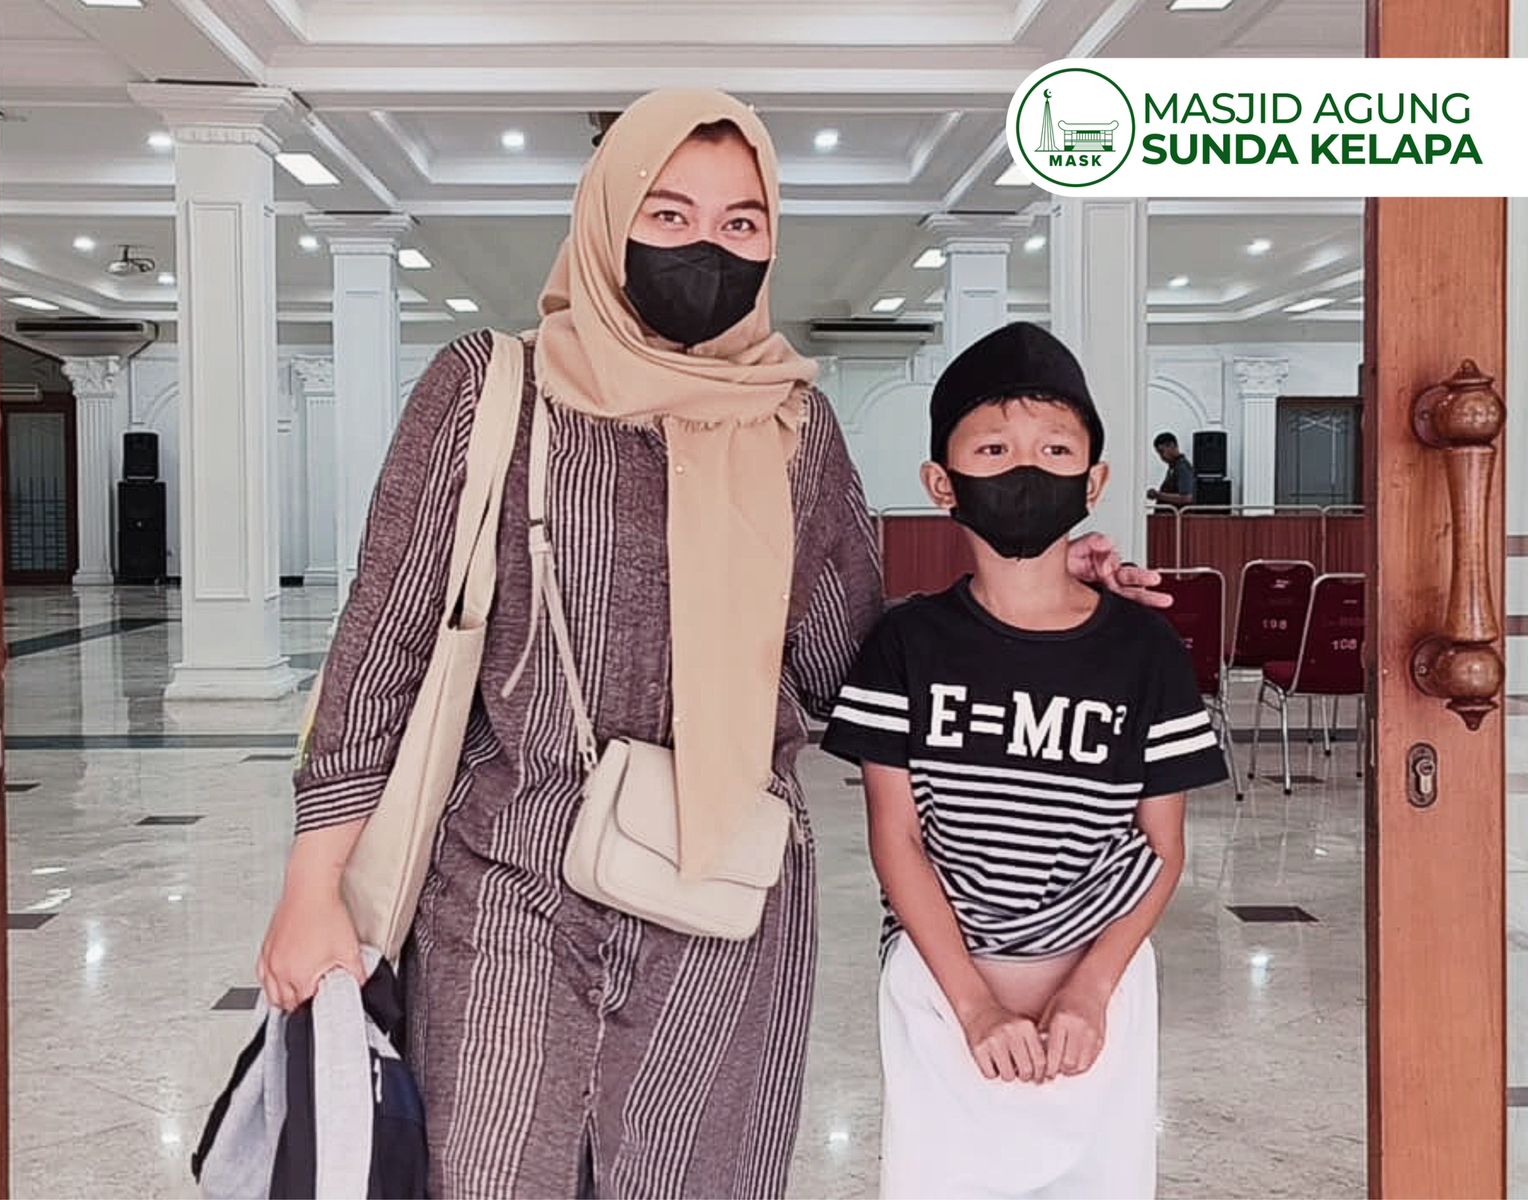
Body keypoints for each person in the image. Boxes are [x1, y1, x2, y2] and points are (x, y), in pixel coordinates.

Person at [257, 92, 1165, 1199]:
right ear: (609, 220)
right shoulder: (493, 391)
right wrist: (313, 885)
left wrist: (1035, 593)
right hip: (506, 883)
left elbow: (849, 664)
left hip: (726, 900)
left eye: (741, 222)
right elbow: (381, 649)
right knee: (488, 1168)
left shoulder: (793, 426)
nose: (707, 247)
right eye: (670, 213)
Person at [823, 322, 1228, 1200]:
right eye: (993, 450)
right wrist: (973, 1005)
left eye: (1054, 450)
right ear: (942, 482)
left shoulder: (1145, 651)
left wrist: (1092, 989)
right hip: (944, 991)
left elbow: (1163, 848)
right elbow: (898, 839)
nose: (1025, 470)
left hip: (1102, 993)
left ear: (1094, 481)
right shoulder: (906, 644)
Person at [1147, 430, 1196, 507]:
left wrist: (1158, 495)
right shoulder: (1173, 468)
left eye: (1162, 451)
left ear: (1172, 445)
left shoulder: (1182, 467)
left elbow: (1187, 497)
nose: (1161, 456)